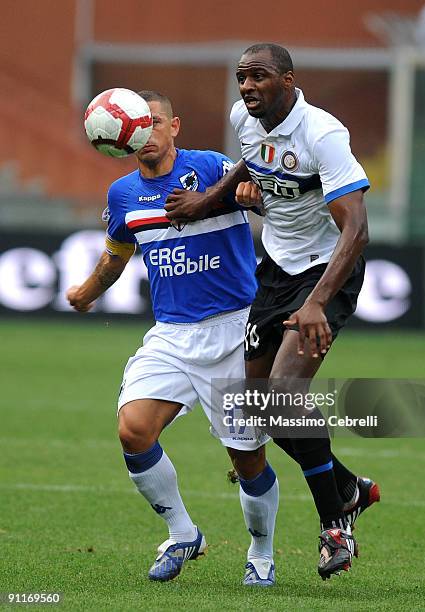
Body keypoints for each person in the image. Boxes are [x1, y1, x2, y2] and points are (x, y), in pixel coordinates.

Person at [164, 44, 380, 580]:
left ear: (288, 80)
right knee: (259, 407)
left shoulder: (322, 134)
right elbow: (251, 160)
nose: (246, 87)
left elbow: (356, 229)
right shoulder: (246, 118)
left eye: (258, 76)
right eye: (241, 77)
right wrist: (210, 199)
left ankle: (335, 524)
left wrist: (315, 304)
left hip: (326, 270)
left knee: (282, 391)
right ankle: (348, 488)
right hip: (277, 267)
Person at [66, 91, 279, 587]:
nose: (143, 132)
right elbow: (116, 255)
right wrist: (86, 291)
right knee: (133, 430)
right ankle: (183, 532)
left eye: (153, 121)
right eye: (136, 125)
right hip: (171, 335)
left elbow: (270, 194)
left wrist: (255, 198)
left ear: (174, 126)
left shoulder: (211, 167)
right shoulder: (122, 194)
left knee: (247, 458)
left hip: (234, 331)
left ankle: (262, 552)